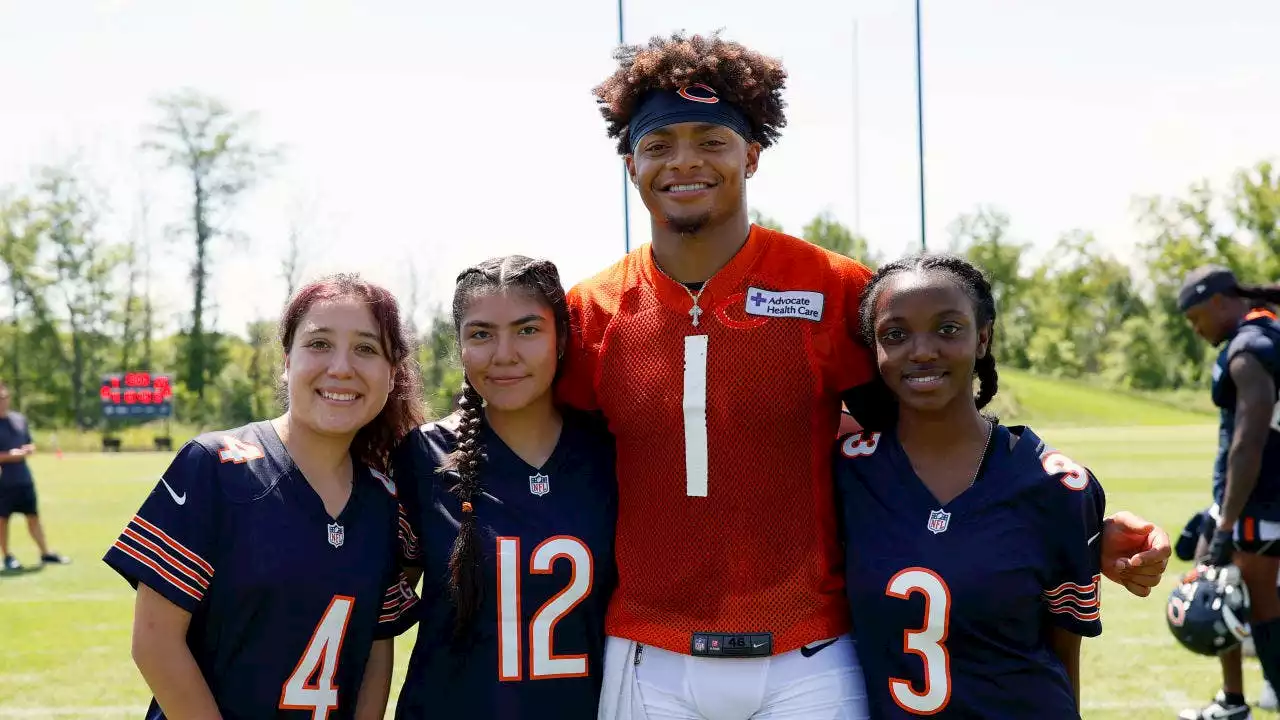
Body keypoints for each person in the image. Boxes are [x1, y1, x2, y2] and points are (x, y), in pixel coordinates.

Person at [568, 30, 1173, 720]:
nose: (685, 162)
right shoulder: (588, 313)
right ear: (630, 163)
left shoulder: (832, 289)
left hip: (812, 656)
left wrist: (1075, 525)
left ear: (753, 154)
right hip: (650, 655)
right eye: (659, 145)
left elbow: (930, 435)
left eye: (711, 139)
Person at [102, 274, 422, 720]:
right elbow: (155, 642)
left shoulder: (387, 502)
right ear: (287, 360)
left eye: (366, 349)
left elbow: (375, 650)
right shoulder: (214, 466)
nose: (342, 367)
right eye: (319, 344)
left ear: (392, 374)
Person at [834, 254, 1105, 717]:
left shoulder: (1058, 486)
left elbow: (1064, 658)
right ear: (875, 351)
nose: (921, 351)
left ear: (983, 338)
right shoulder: (845, 471)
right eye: (895, 335)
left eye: (948, 329)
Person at [390, 256, 617, 720]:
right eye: (481, 334)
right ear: (459, 346)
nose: (504, 353)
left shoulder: (610, 453)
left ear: (562, 340)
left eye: (528, 330)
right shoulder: (423, 457)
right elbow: (370, 614)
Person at [1176, 265, 1280, 720]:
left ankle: (1253, 696)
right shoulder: (1267, 329)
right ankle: (1234, 699)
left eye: (1197, 320)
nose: (1197, 332)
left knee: (1253, 608)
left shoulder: (1246, 352)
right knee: (1227, 590)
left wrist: (1226, 522)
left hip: (1259, 501)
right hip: (1256, 496)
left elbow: (1247, 443)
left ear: (1219, 302)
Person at [0, 380, 70, 571]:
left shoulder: (18, 420)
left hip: (23, 478)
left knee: (33, 516)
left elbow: (30, 444)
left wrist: (27, 450)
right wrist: (10, 455)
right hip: (3, 481)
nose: (3, 401)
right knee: (2, 519)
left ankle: (45, 553)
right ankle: (7, 556)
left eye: (5, 397)